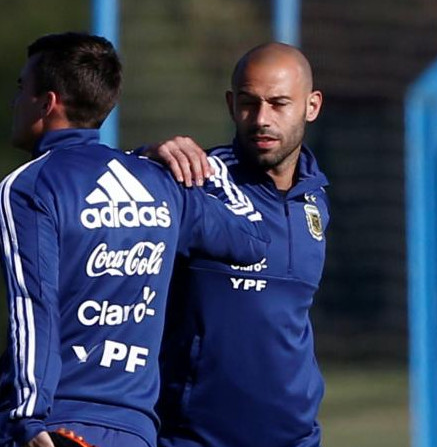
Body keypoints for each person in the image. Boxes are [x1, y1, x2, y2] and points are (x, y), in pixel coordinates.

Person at [0, 32, 269, 447]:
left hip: (57, 422)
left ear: (47, 102)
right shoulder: (158, 181)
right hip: (137, 429)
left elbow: (32, 307)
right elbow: (252, 240)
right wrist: (208, 171)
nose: (16, 101)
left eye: (22, 88)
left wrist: (26, 418)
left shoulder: (31, 185)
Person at [151, 42, 329, 447]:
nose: (261, 119)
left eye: (279, 103)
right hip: (192, 438)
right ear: (232, 104)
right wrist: (143, 159)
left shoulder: (316, 197)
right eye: (249, 103)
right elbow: (105, 198)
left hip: (296, 439)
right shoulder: (196, 182)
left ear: (311, 106)